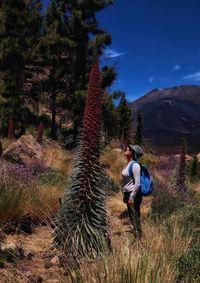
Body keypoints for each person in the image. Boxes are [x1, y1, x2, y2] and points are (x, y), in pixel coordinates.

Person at [122, 142, 143, 239]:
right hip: (128, 193)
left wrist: (131, 197)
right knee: (132, 217)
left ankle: (138, 238)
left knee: (135, 217)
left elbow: (137, 183)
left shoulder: (135, 165)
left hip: (133, 195)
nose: (126, 149)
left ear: (133, 153)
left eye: (129, 149)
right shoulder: (128, 164)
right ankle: (137, 234)